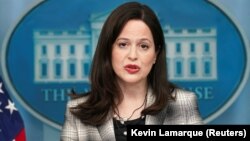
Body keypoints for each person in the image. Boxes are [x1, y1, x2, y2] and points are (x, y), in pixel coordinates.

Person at [60, 1, 203, 141]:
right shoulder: (77, 112)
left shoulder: (184, 105)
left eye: (143, 46)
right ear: (108, 50)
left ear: (155, 54)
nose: (133, 55)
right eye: (123, 44)